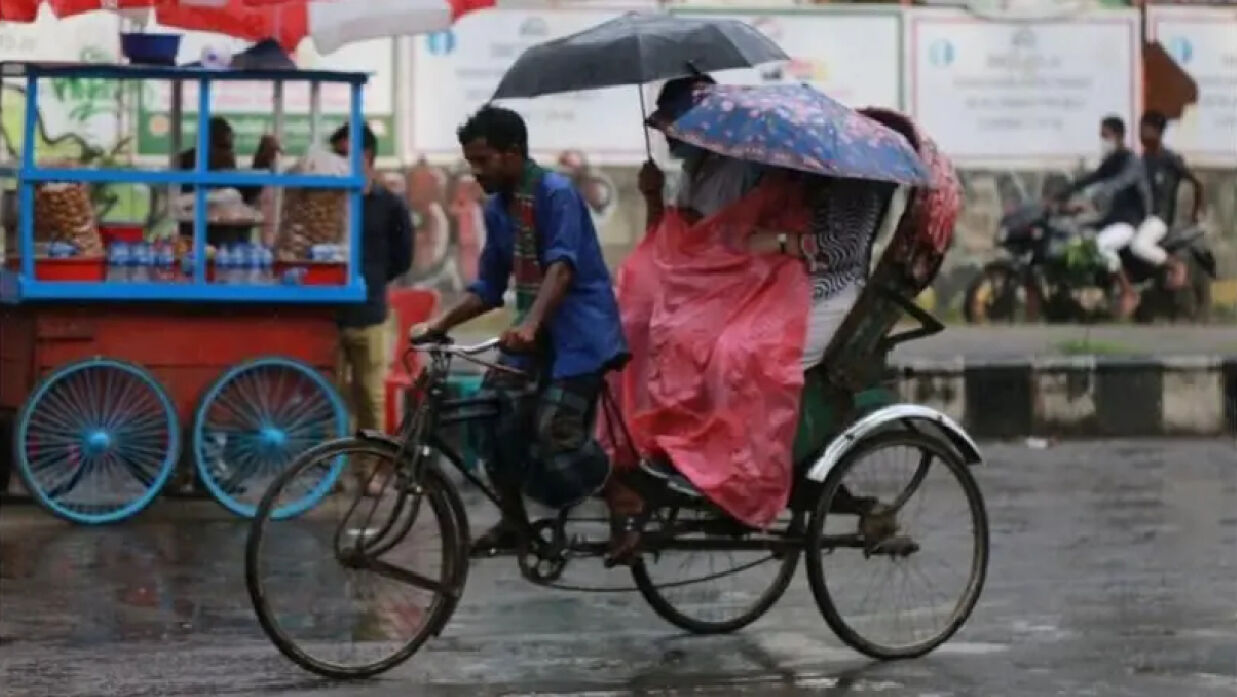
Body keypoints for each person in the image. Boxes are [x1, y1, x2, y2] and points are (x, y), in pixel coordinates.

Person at [415, 105, 627, 554]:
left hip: (579, 337)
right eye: (471, 162)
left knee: (556, 430)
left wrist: (530, 323)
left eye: (483, 160)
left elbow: (562, 268)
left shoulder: (556, 193)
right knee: (489, 419)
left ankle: (624, 500)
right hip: (532, 338)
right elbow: (490, 286)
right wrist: (440, 325)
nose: (476, 172)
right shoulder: (498, 209)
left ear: (513, 154)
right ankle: (515, 523)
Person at [328, 123, 414, 495]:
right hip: (326, 314)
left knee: (370, 396)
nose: (340, 164)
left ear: (367, 157)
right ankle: (328, 473)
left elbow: (403, 257)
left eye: (347, 155)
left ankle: (369, 470)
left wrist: (373, 279)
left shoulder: (389, 204)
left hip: (371, 312)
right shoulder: (328, 201)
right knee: (328, 395)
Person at [1054, 115, 1152, 317]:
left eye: (1105, 135)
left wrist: (1092, 198)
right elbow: (1093, 177)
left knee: (1100, 246)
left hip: (1131, 221)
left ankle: (1129, 292)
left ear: (1118, 136)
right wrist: (1064, 192)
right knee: (1076, 236)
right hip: (1112, 219)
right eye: (1101, 136)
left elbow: (1119, 182)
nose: (1102, 140)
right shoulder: (1112, 160)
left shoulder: (1131, 161)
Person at [176, 116, 280, 247]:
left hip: (225, 235)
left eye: (229, 147)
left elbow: (238, 193)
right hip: (208, 234)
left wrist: (261, 162)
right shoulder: (195, 160)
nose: (229, 152)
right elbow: (235, 191)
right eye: (224, 146)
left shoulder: (215, 158)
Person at [1132, 110, 1206, 288]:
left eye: (1145, 129)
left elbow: (1197, 183)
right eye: (1140, 129)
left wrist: (1195, 212)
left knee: (1139, 245)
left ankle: (1176, 266)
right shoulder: (1144, 158)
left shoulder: (1169, 159)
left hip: (1160, 218)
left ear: (1158, 132)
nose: (1141, 134)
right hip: (1144, 216)